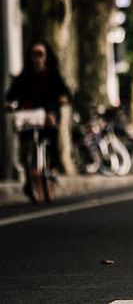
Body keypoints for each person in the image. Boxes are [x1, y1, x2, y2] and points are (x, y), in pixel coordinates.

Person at [4, 41, 72, 198]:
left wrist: (62, 100)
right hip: (28, 116)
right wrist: (9, 103)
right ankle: (29, 174)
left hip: (47, 114)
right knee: (25, 145)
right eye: (34, 54)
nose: (37, 58)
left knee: (51, 137)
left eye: (40, 54)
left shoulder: (53, 75)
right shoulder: (25, 76)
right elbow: (11, 94)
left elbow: (64, 93)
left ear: (46, 56)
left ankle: (52, 167)